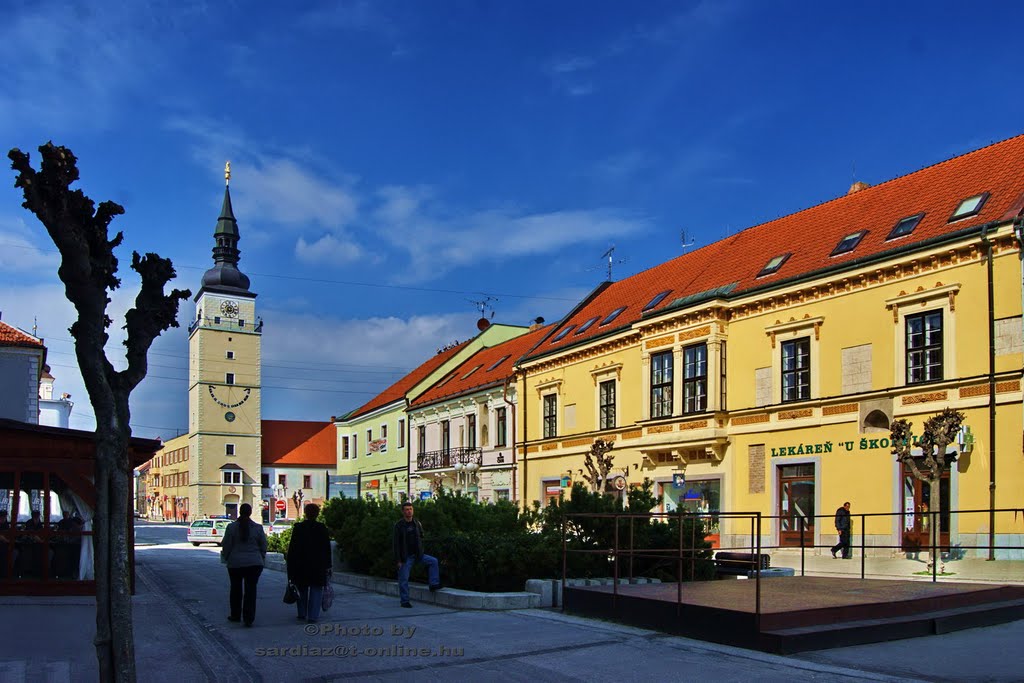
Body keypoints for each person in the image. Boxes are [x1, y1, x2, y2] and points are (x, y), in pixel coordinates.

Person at [220, 503, 267, 626]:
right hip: (254, 564)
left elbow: (226, 545)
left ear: (240, 512)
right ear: (250, 512)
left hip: (235, 563)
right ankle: (249, 618)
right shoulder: (258, 528)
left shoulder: (231, 527)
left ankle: (235, 615)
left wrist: (228, 557)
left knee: (235, 589)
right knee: (251, 591)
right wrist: (260, 557)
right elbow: (263, 546)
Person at [286, 503, 332, 624]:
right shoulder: (322, 528)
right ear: (317, 514)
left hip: (301, 565)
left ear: (305, 513)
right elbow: (327, 549)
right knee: (316, 590)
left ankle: (302, 613)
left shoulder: (298, 528)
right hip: (318, 565)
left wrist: (290, 565)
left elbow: (293, 548)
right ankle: (313, 616)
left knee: (302, 588)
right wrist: (328, 565)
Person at [393, 501, 441, 608]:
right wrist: (398, 560)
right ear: (403, 512)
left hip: (418, 554)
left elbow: (421, 536)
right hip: (406, 557)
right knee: (404, 579)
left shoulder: (416, 523)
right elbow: (396, 544)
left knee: (433, 561)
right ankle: (404, 601)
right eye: (406, 509)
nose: (409, 511)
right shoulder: (399, 526)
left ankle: (433, 584)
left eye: (410, 509)